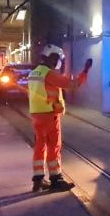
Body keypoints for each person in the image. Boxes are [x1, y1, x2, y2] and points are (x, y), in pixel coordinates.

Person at [27, 44, 93, 192]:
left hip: (36, 115)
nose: (59, 62)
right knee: (53, 147)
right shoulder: (49, 74)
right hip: (50, 115)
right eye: (58, 58)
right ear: (52, 57)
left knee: (39, 146)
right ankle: (56, 179)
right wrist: (85, 71)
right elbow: (72, 84)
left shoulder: (34, 73)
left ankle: (38, 180)